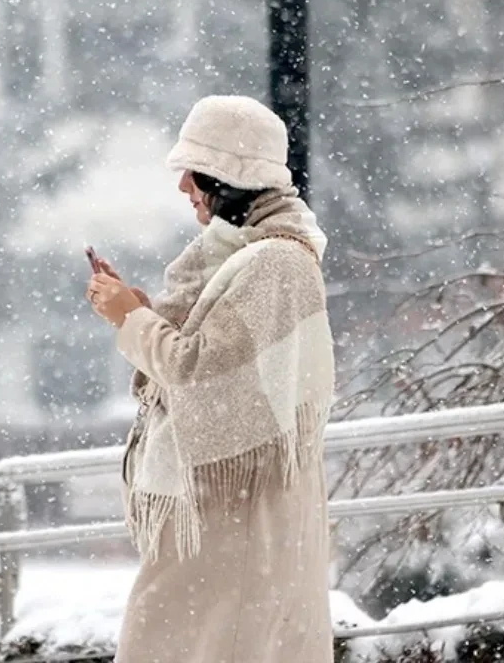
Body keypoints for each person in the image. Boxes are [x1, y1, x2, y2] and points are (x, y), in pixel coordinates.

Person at [86, 95, 336, 663]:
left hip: (236, 523)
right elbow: (211, 359)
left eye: (193, 172)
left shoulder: (274, 263)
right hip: (225, 517)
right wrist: (139, 311)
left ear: (229, 176)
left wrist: (131, 317)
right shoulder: (242, 256)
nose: (183, 187)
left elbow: (200, 372)